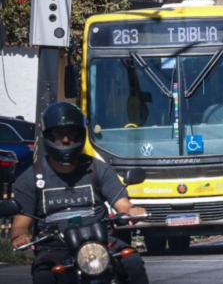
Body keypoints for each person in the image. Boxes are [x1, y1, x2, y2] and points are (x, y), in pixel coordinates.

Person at [11, 102, 149, 284]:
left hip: (99, 242)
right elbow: (21, 223)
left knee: (132, 260)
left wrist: (133, 211)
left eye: (71, 133)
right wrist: (20, 236)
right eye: (59, 134)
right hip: (54, 247)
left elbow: (122, 204)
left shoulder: (97, 169)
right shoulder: (31, 178)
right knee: (44, 276)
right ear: (47, 135)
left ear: (80, 134)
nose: (66, 140)